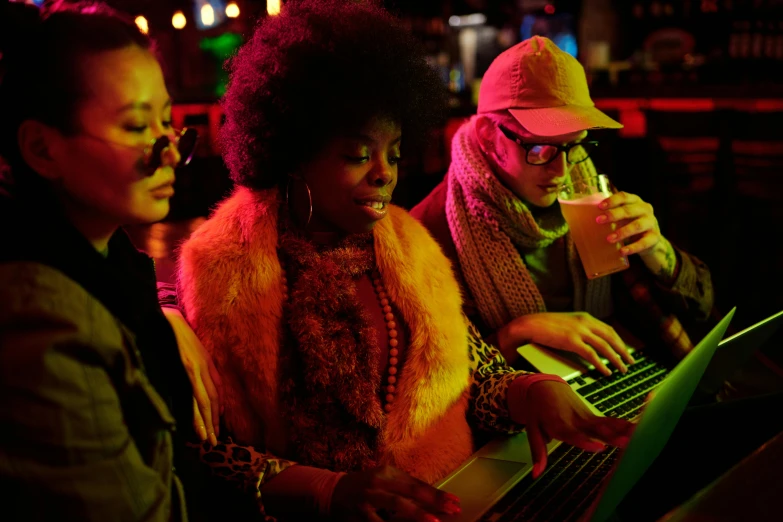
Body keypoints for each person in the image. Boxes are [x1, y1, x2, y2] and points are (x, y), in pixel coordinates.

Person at [158, 2, 633, 521]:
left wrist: (533, 391)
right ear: (294, 152)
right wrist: (326, 491)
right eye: (359, 155)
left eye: (395, 152)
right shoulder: (223, 270)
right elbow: (206, 447)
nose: (384, 174)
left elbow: (475, 375)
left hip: (453, 500)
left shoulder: (409, 248)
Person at [0, 2, 201, 519]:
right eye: (137, 128)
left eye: (165, 120)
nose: (171, 151)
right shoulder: (40, 320)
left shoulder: (116, 263)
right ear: (42, 149)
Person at [411, 36, 715, 375]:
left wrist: (660, 253)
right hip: (518, 410)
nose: (562, 171)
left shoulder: (588, 190)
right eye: (540, 149)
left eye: (573, 145)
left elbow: (702, 305)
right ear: (487, 135)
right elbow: (430, 379)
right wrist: (515, 334)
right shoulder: (427, 233)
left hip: (615, 374)